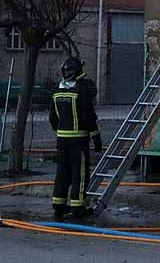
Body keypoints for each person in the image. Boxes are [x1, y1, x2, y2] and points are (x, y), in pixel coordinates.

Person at [48, 56, 102, 221]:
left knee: (62, 174)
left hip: (61, 140)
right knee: (79, 174)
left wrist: (61, 130)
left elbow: (52, 118)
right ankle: (78, 208)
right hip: (78, 142)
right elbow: (88, 116)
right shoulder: (81, 91)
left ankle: (59, 208)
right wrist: (96, 137)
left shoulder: (57, 92)